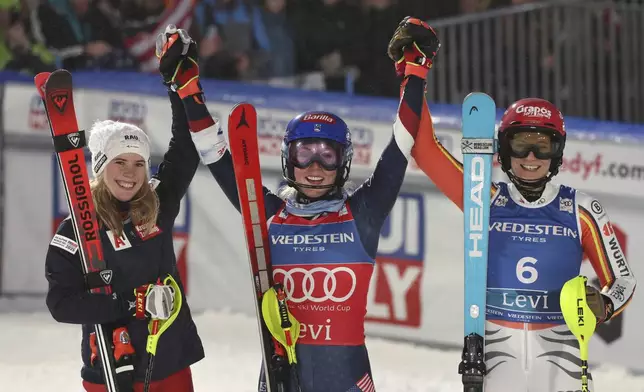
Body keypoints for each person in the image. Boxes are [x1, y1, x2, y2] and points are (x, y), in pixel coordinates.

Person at [184, 16, 439, 392]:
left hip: (349, 382)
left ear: (345, 162)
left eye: (328, 155)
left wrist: (414, 73)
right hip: (280, 379)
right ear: (289, 160)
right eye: (305, 154)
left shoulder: (362, 213)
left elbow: (401, 145)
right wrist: (188, 90)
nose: (315, 168)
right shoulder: (267, 215)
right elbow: (216, 155)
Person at [412, 92, 637, 390]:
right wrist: (413, 73)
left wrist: (605, 304)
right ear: (504, 149)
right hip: (495, 357)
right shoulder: (482, 199)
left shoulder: (580, 209)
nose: (531, 157)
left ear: (556, 152)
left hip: (562, 357)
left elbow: (623, 280)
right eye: (520, 145)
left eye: (542, 146)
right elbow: (425, 150)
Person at [45, 25, 212, 392]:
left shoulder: (156, 203)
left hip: (168, 361)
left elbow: (184, 147)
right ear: (101, 168)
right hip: (109, 366)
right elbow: (61, 304)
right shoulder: (75, 228)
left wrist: (177, 84)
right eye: (120, 163)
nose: (130, 174)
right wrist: (130, 303)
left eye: (138, 163)